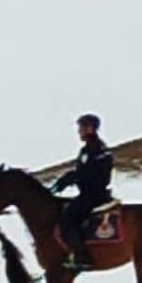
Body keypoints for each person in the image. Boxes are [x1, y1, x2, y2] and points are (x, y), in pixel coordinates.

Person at [50, 113, 113, 271]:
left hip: (92, 194)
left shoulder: (93, 149)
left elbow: (86, 173)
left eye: (81, 128)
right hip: (94, 192)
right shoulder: (96, 147)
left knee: (67, 220)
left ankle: (82, 256)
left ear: (90, 128)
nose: (79, 131)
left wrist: (67, 180)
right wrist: (65, 180)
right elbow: (83, 172)